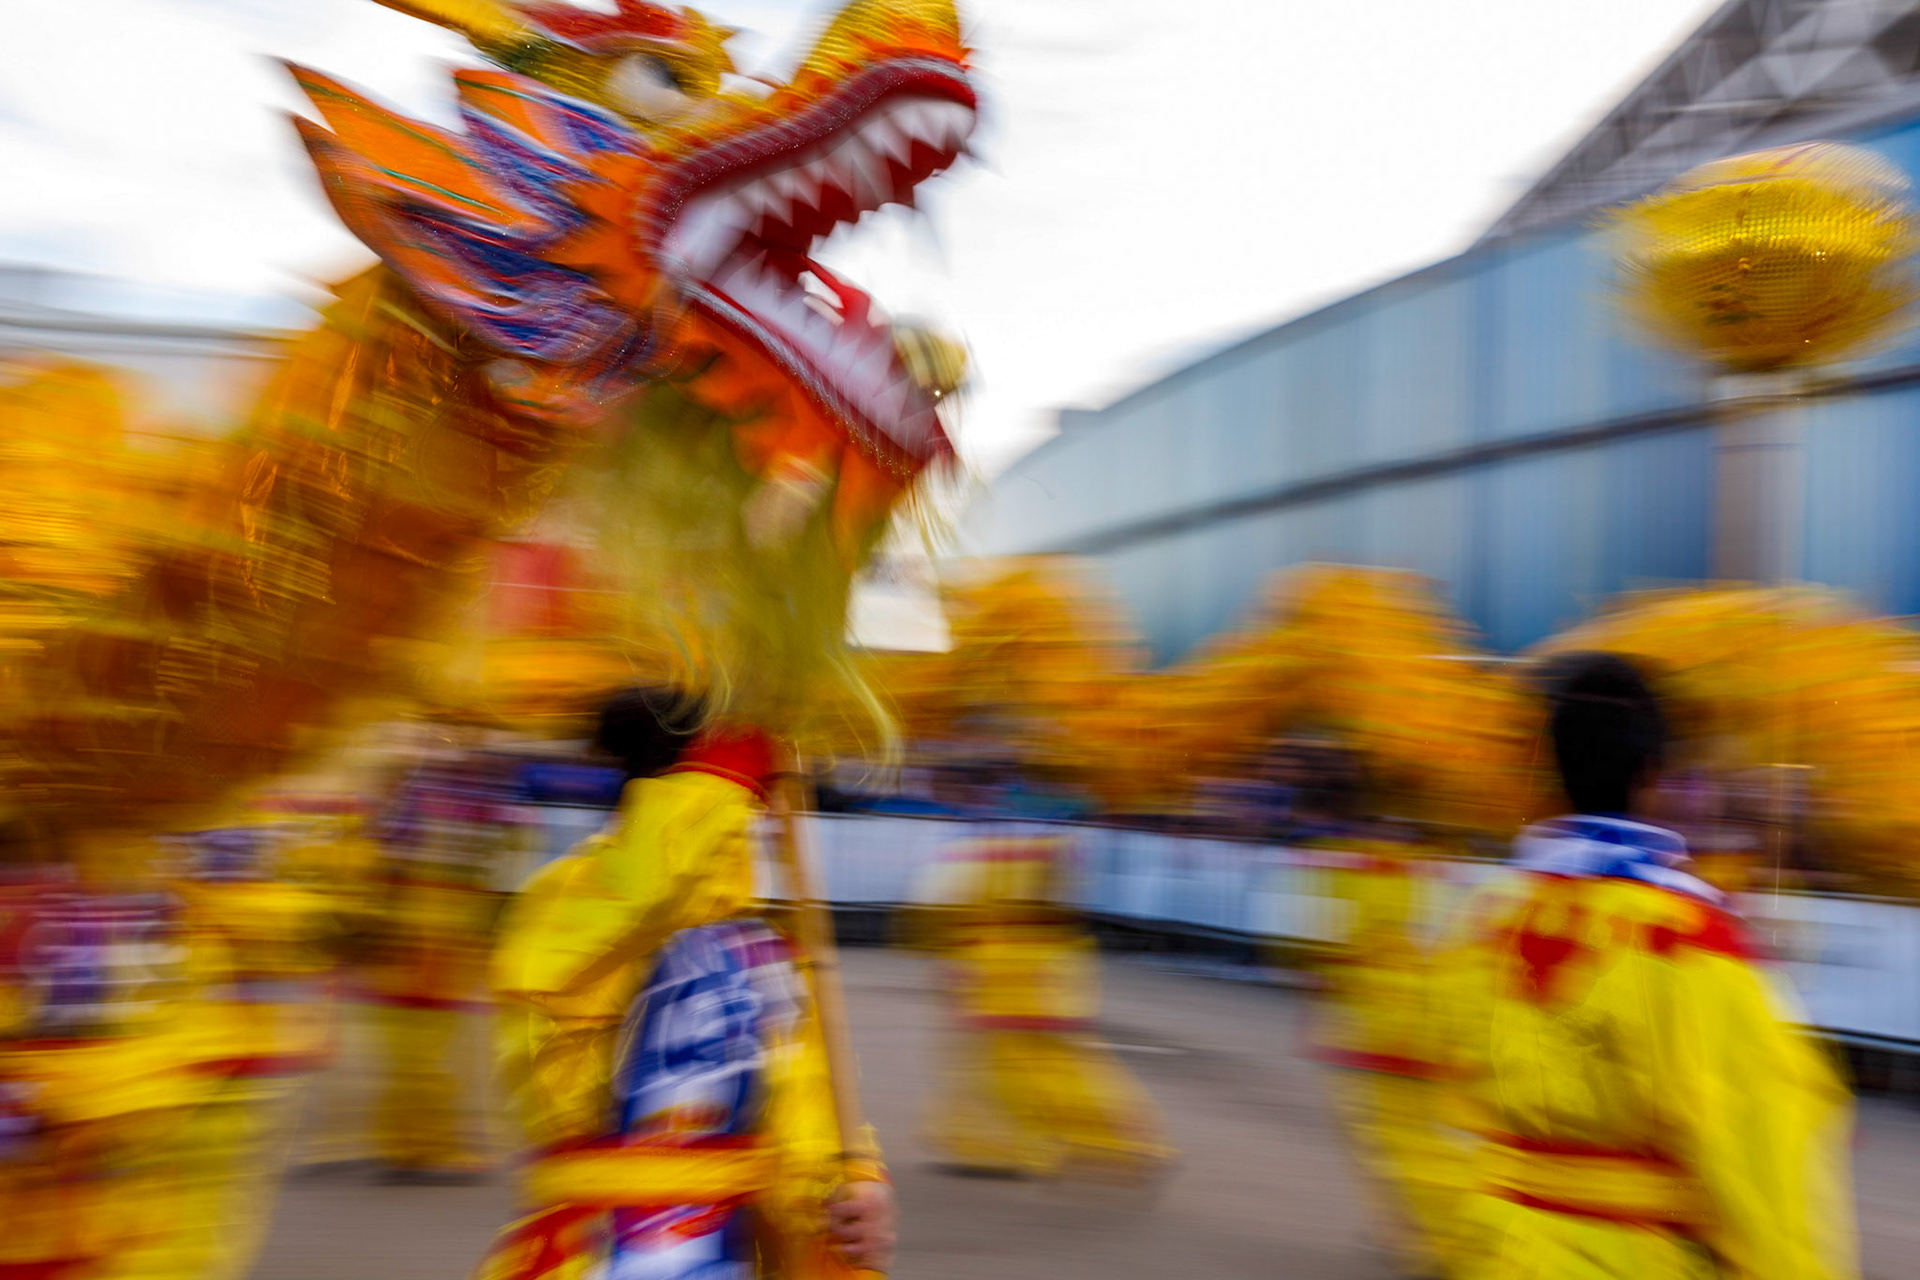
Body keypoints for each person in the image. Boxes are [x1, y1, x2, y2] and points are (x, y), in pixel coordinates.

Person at [1437, 653, 1856, 1280]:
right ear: (1652, 774)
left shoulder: (1485, 918)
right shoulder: (1688, 938)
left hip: (1501, 1245)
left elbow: (1446, 1082)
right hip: (1634, 1253)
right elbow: (1762, 1142)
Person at [475, 688, 895, 1280]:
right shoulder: (565, 904)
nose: (764, 810)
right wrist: (721, 771)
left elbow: (809, 1112)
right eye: (748, 790)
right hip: (596, 1253)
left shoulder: (764, 947)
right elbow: (651, 892)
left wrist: (851, 1184)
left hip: (730, 1254)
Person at [916, 824, 1170, 1181]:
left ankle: (1108, 1140)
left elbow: (940, 919)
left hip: (1009, 977)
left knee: (1023, 1068)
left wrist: (956, 966)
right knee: (1039, 1066)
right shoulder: (1038, 855)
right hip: (1036, 972)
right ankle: (994, 1142)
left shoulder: (984, 858)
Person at [1300, 757, 1474, 1279]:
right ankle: (1419, 1228)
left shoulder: (1337, 863)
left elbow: (1316, 945)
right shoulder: (1433, 861)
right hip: (1434, 1008)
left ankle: (1452, 1236)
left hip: (1378, 1016)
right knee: (1418, 1130)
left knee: (1392, 1134)